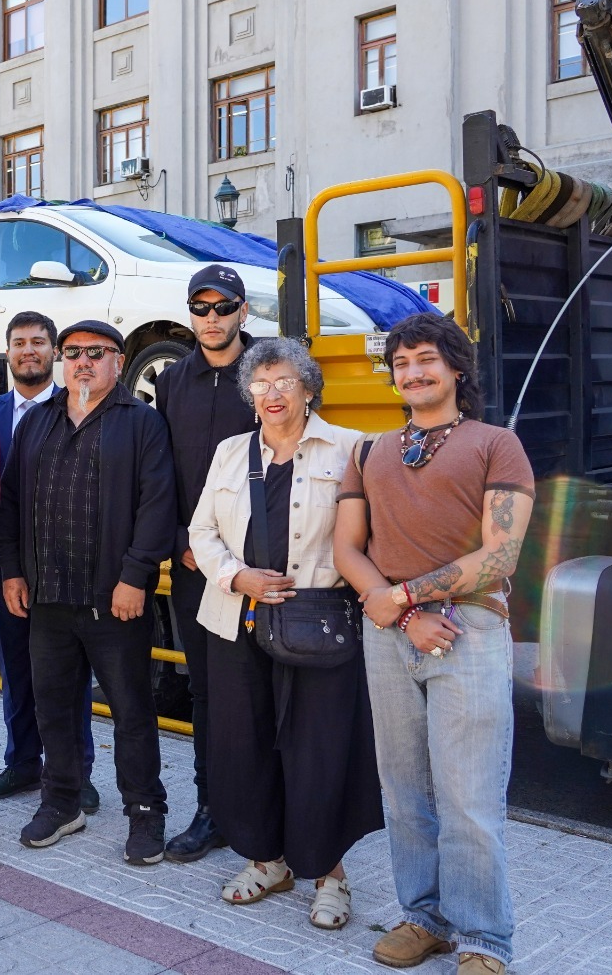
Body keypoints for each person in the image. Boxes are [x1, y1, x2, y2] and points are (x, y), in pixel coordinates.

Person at [334, 313, 534, 975]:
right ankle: (424, 917)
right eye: (401, 363)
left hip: (469, 630)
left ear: (455, 368)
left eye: (426, 359)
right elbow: (346, 548)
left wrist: (404, 597)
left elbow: (500, 556)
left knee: (468, 798)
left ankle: (484, 940)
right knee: (404, 791)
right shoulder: (368, 452)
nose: (413, 372)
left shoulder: (496, 445)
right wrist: (396, 610)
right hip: (390, 633)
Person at [188, 337, 383, 930]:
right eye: (261, 384)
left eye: (284, 382)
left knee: (319, 750)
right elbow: (201, 532)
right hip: (237, 620)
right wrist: (237, 575)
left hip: (317, 625)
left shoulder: (350, 448)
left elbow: (373, 537)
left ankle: (329, 874)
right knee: (244, 745)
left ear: (308, 389)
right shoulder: (229, 452)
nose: (272, 394)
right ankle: (267, 861)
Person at [0, 319, 176, 865]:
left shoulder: (141, 422)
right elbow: (10, 502)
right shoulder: (38, 421)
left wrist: (135, 576)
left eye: (97, 353)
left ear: (118, 361)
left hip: (114, 600)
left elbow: (157, 504)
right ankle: (62, 802)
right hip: (48, 597)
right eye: (73, 352)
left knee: (131, 713)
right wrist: (12, 570)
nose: (83, 362)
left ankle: (145, 812)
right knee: (53, 708)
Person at [153, 263, 260, 863]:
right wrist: (179, 544)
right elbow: (161, 474)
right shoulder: (172, 382)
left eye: (223, 306)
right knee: (208, 692)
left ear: (243, 310)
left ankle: (268, 812)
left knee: (266, 690)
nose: (211, 318)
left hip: (260, 568)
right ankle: (211, 809)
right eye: (201, 307)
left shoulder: (270, 373)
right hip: (195, 567)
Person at [0, 311, 98, 812]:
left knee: (70, 672)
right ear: (7, 352)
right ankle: (24, 761)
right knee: (14, 667)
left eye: (39, 342)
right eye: (19, 342)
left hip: (64, 563)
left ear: (54, 352)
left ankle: (76, 771)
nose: (29, 350)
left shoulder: (79, 407)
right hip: (3, 562)